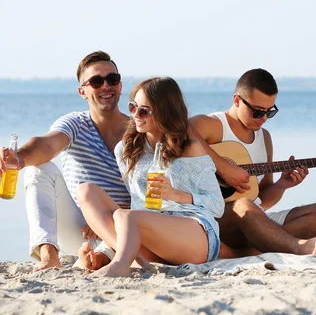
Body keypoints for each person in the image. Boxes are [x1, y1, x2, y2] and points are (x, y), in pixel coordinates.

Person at [76, 77, 224, 277]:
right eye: (132, 107)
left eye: (144, 110)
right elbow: (138, 204)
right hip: (151, 237)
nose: (136, 115)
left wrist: (176, 195)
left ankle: (121, 263)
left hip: (195, 235)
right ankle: (127, 257)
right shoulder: (126, 150)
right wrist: (104, 249)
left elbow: (218, 206)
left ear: (165, 112)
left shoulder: (190, 148)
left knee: (123, 215)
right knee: (86, 191)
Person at [0, 51, 131, 271]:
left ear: (119, 86)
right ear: (83, 92)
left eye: (112, 79)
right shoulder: (75, 123)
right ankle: (49, 255)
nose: (106, 86)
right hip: (79, 229)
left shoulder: (139, 130)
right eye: (96, 81)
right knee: (38, 170)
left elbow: (149, 192)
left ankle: (100, 257)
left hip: (122, 228)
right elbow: (47, 145)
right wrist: (19, 158)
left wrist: (108, 216)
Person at [190, 68, 316, 258]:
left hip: (253, 221)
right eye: (256, 111)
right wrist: (224, 168)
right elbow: (181, 132)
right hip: (215, 220)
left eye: (269, 112)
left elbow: (262, 199)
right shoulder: (213, 125)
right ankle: (297, 247)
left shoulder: (264, 138)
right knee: (243, 204)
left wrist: (283, 185)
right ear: (237, 100)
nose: (263, 118)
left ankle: (250, 250)